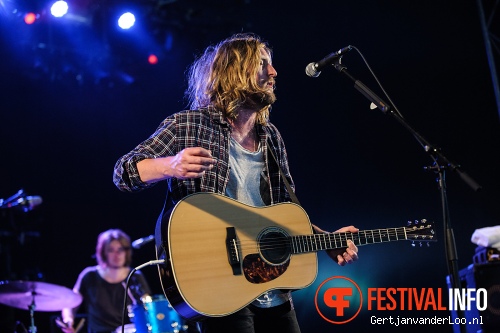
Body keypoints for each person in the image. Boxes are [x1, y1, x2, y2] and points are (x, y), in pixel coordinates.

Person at [113, 32, 359, 333]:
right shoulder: (187, 124)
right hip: (219, 284)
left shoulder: (271, 137)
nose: (273, 73)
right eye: (262, 64)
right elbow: (123, 173)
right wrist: (171, 164)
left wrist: (325, 240)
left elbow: (283, 213)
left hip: (274, 288)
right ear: (236, 72)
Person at [59, 229, 152, 333]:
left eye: (120, 249)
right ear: (103, 252)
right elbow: (70, 303)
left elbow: (149, 308)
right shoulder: (89, 276)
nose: (117, 254)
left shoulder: (135, 276)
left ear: (126, 252)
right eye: (111, 250)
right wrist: (68, 320)